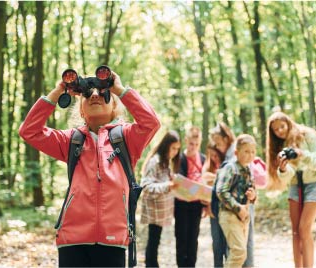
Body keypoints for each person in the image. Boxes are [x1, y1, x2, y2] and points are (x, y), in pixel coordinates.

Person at [19, 69, 160, 267]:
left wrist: (120, 89)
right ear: (81, 111)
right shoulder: (71, 141)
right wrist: (58, 91)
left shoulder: (126, 139)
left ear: (115, 109)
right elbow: (29, 131)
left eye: (103, 93)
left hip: (113, 238)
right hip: (73, 239)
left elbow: (151, 123)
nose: (94, 95)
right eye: (87, 94)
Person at [266, 111, 316, 268]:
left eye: (282, 126)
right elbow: (288, 175)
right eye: (276, 129)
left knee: (304, 228)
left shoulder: (306, 134)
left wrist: (301, 154)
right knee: (295, 231)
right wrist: (282, 169)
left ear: (288, 122)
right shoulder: (279, 146)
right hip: (296, 184)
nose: (280, 131)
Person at [209, 122, 254, 268]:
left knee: (241, 252)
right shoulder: (230, 167)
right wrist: (237, 208)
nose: (250, 155)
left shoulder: (247, 170)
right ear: (236, 152)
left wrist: (253, 196)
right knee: (239, 252)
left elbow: (251, 190)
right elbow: (221, 191)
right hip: (229, 214)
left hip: (243, 215)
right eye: (246, 151)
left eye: (253, 152)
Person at [140, 130, 181, 268]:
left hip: (161, 212)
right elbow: (146, 186)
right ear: (167, 145)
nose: (175, 152)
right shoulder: (155, 161)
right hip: (154, 211)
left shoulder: (165, 162)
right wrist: (167, 186)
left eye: (177, 149)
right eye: (173, 148)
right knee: (153, 241)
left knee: (155, 241)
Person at [174, 126, 206, 267]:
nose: (194, 147)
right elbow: (180, 182)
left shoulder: (203, 159)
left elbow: (206, 182)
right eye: (191, 143)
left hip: (196, 204)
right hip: (182, 204)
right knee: (182, 239)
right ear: (186, 141)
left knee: (193, 238)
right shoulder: (180, 158)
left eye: (197, 144)